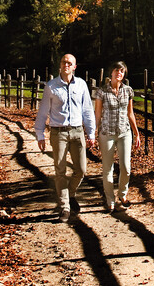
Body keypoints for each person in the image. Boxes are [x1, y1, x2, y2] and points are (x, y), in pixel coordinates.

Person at [35, 53, 97, 222]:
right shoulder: (51, 86)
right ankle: (65, 207)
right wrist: (40, 134)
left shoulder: (82, 85)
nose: (66, 65)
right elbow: (43, 112)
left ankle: (69, 194)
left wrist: (91, 132)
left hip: (77, 132)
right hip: (58, 133)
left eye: (70, 63)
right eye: (64, 62)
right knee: (60, 171)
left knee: (81, 170)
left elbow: (88, 111)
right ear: (60, 65)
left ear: (75, 67)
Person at [93, 60, 142, 213]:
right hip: (106, 134)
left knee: (126, 167)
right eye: (116, 70)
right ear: (111, 73)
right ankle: (110, 199)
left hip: (124, 133)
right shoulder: (102, 91)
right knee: (107, 168)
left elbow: (130, 113)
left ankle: (122, 194)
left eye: (121, 71)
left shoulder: (128, 91)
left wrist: (136, 133)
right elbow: (98, 114)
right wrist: (93, 133)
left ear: (123, 74)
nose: (119, 73)